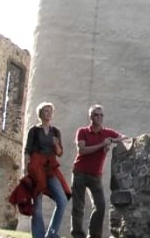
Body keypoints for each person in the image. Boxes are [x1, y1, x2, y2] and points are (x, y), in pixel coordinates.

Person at [69, 104, 125, 238]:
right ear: (90, 117)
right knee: (78, 207)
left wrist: (111, 140)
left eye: (101, 115)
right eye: (96, 115)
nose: (99, 117)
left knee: (100, 206)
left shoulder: (107, 133)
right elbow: (82, 150)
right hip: (80, 172)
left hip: (95, 175)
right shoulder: (82, 131)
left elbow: (124, 138)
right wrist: (102, 145)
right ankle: (77, 235)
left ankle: (93, 235)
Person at [25, 102, 71, 238]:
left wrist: (56, 145)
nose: (49, 113)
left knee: (62, 200)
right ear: (40, 113)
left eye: (50, 111)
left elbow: (60, 152)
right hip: (35, 167)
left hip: (50, 167)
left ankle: (51, 234)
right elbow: (27, 151)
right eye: (46, 111)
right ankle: (38, 236)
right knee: (37, 204)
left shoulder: (55, 131)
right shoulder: (34, 130)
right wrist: (25, 169)